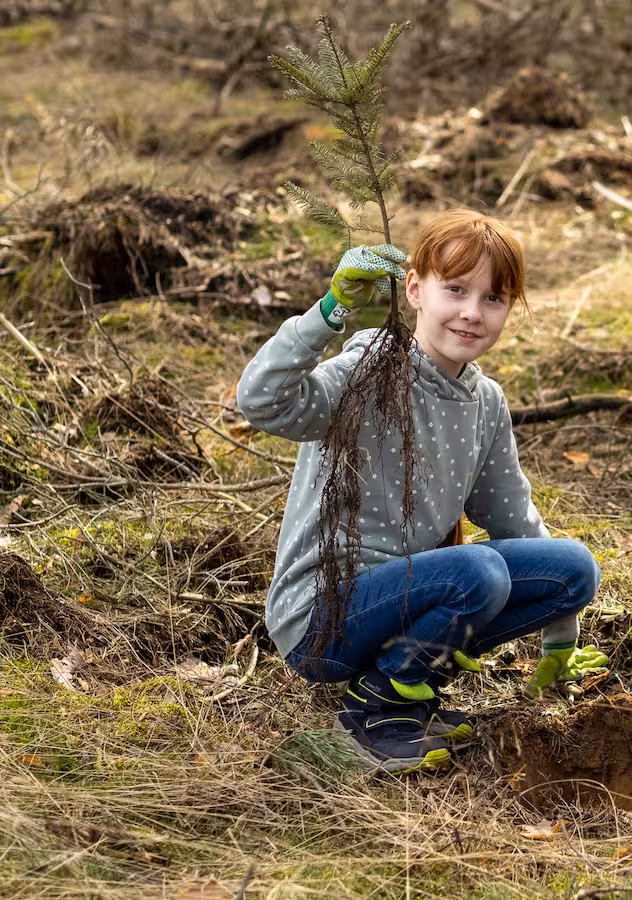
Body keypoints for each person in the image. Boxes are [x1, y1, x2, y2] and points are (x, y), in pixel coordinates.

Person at [237, 209, 607, 774]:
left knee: (574, 568)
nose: (472, 312)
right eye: (455, 289)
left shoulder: (485, 402)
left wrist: (561, 630)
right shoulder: (368, 370)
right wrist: (329, 312)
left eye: (493, 298)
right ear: (414, 289)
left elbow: (515, 521)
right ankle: (374, 713)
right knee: (479, 572)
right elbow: (262, 400)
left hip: (408, 600)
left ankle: (409, 684)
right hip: (323, 618)